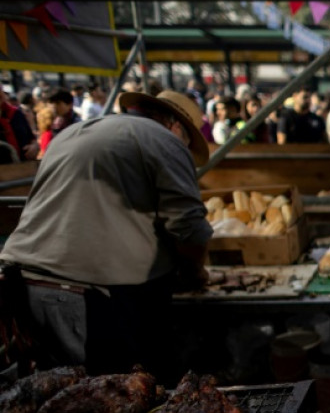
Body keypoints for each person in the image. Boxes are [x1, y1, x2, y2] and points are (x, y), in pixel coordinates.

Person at [0, 90, 212, 381]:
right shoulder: (165, 141)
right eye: (187, 142)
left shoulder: (73, 132)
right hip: (95, 297)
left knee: (60, 396)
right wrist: (195, 270)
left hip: (28, 282)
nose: (185, 148)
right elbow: (189, 226)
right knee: (121, 394)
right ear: (176, 126)